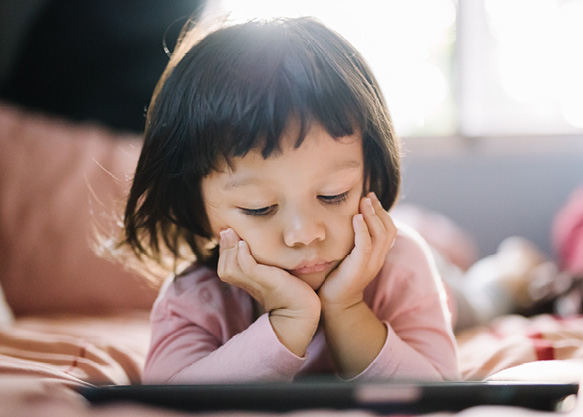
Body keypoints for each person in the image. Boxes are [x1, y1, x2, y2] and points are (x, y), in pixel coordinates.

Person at [120, 16, 459, 384]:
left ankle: (503, 279)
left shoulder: (402, 266)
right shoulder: (193, 300)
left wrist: (346, 306)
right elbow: (172, 400)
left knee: (477, 299)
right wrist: (289, 319)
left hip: (439, 283)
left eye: (334, 195)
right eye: (259, 208)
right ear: (197, 209)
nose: (304, 234)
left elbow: (437, 389)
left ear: (369, 178)